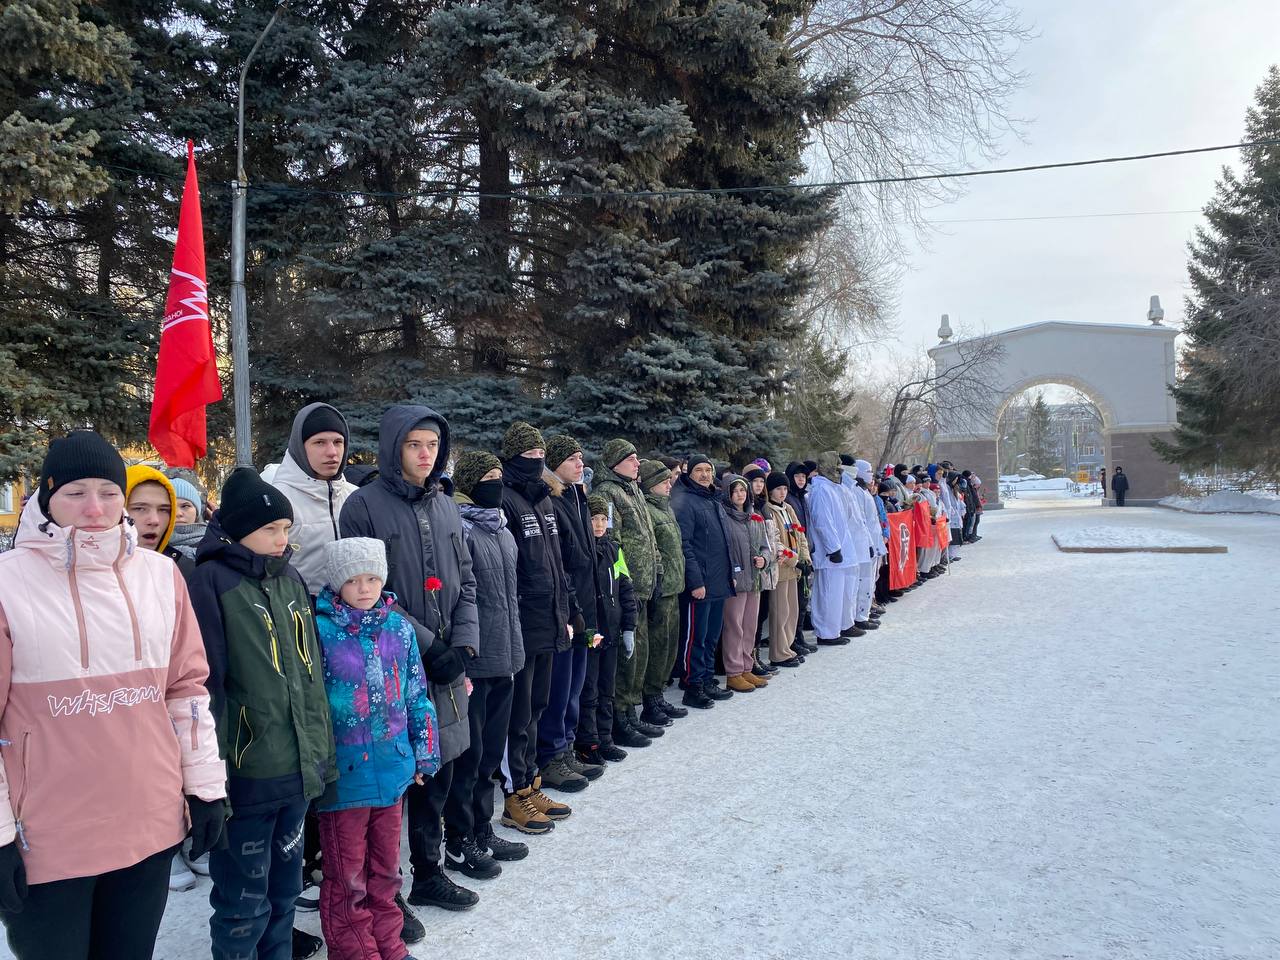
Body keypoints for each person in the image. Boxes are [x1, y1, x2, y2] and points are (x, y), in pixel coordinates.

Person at [0, 432, 226, 960]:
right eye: (76, 492)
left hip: (146, 825)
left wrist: (205, 789)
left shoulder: (161, 575)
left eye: (108, 490)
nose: (96, 508)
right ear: (46, 495)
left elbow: (185, 690)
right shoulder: (7, 585)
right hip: (48, 839)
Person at [188, 467, 335, 960]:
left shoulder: (290, 578)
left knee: (283, 893)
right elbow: (206, 684)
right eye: (271, 529)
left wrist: (321, 756)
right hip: (247, 774)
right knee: (242, 901)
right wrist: (214, 777)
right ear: (239, 529)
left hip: (297, 769)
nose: (282, 538)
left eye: (287, 529)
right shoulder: (210, 581)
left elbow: (311, 673)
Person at [339, 405, 480, 914]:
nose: (425, 455)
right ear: (394, 447)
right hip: (390, 662)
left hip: (443, 664)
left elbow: (465, 577)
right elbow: (367, 591)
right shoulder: (363, 505)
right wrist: (427, 644)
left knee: (437, 768)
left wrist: (462, 642)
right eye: (414, 445)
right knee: (393, 780)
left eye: (433, 446)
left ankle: (429, 873)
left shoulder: (446, 505)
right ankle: (384, 895)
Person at [314, 538, 440, 960]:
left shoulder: (398, 629)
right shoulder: (320, 630)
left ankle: (389, 943)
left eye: (372, 578)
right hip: (346, 777)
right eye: (353, 580)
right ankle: (356, 951)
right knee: (347, 876)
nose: (364, 588)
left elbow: (417, 694)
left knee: (385, 872)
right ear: (337, 583)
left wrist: (423, 752)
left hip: (393, 768)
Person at [125, 466, 210, 894]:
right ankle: (167, 844)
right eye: (139, 509)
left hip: (180, 682)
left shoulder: (183, 566)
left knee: (182, 755)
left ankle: (186, 833)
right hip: (128, 691)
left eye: (164, 510)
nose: (152, 520)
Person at [446, 452, 533, 863]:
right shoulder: (462, 530)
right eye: (488, 477)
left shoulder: (503, 530)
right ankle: (461, 838)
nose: (496, 483)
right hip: (478, 659)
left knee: (491, 753)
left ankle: (483, 828)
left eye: (500, 475)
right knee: (471, 753)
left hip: (508, 653)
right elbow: (460, 596)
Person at [495, 423, 576, 831]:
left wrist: (567, 612)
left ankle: (530, 782)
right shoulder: (505, 500)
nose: (536, 460)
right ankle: (514, 795)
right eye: (528, 454)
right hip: (522, 623)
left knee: (538, 705)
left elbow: (557, 565)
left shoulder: (545, 501)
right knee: (519, 710)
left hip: (549, 619)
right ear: (512, 457)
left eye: (540, 453)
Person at [537, 436, 600, 792]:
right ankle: (551, 754)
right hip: (566, 607)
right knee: (560, 686)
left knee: (576, 682)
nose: (580, 464)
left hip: (584, 605)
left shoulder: (578, 496)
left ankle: (567, 746)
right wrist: (572, 606)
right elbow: (561, 562)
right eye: (573, 458)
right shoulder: (553, 500)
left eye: (581, 457)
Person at [592, 439, 664, 743]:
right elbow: (614, 545)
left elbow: (649, 538)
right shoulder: (608, 493)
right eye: (632, 458)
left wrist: (657, 571)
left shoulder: (632, 490)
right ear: (615, 462)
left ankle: (631, 710)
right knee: (625, 655)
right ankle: (619, 716)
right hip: (627, 588)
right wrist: (625, 583)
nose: (638, 464)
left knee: (640, 652)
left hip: (646, 586)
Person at [271, 403, 358, 597]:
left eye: (338, 442)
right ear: (300, 447)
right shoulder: (277, 500)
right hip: (300, 613)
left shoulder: (356, 497)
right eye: (319, 442)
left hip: (354, 616)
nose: (332, 452)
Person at [575, 496, 638, 762]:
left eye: (603, 519)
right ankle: (588, 743)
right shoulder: (579, 552)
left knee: (606, 688)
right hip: (590, 632)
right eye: (593, 519)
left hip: (610, 630)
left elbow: (625, 586)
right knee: (588, 690)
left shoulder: (614, 549)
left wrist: (629, 626)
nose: (599, 525)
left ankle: (605, 737)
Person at [670, 454, 734, 709]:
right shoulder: (685, 501)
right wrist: (695, 581)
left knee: (711, 636)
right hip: (700, 583)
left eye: (708, 469)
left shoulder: (714, 499)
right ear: (689, 473)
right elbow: (685, 544)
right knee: (695, 637)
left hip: (718, 581)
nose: (705, 474)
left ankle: (707, 678)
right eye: (699, 470)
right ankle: (693, 683)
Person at [639, 460, 687, 728]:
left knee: (668, 646)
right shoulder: (649, 510)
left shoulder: (666, 508)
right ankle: (650, 699)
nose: (669, 484)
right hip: (661, 589)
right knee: (657, 646)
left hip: (674, 586)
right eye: (663, 481)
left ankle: (657, 695)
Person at [718, 476, 770, 694]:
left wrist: (764, 560)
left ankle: (747, 666)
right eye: (736, 490)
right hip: (736, 582)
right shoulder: (724, 517)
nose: (740, 494)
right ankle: (733, 672)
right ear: (728, 494)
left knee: (750, 626)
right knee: (734, 627)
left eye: (743, 490)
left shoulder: (755, 518)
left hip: (754, 580)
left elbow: (765, 547)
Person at [806, 453, 861, 645]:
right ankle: (826, 632)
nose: (839, 468)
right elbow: (822, 522)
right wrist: (833, 548)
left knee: (839, 593)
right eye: (835, 465)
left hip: (841, 549)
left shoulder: (833, 487)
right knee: (829, 593)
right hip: (830, 553)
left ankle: (838, 626)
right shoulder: (821, 489)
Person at [765, 471, 809, 667]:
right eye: (778, 489)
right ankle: (778, 652)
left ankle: (788, 647)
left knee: (793, 610)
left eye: (784, 489)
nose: (782, 493)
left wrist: (805, 558)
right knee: (780, 611)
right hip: (781, 568)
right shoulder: (768, 510)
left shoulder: (789, 509)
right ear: (770, 490)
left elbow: (799, 534)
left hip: (794, 569)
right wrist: (795, 560)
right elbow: (776, 543)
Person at [167, 472, 209, 579]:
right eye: (170, 507)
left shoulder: (215, 544)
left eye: (185, 506)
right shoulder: (147, 547)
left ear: (197, 511)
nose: (178, 513)